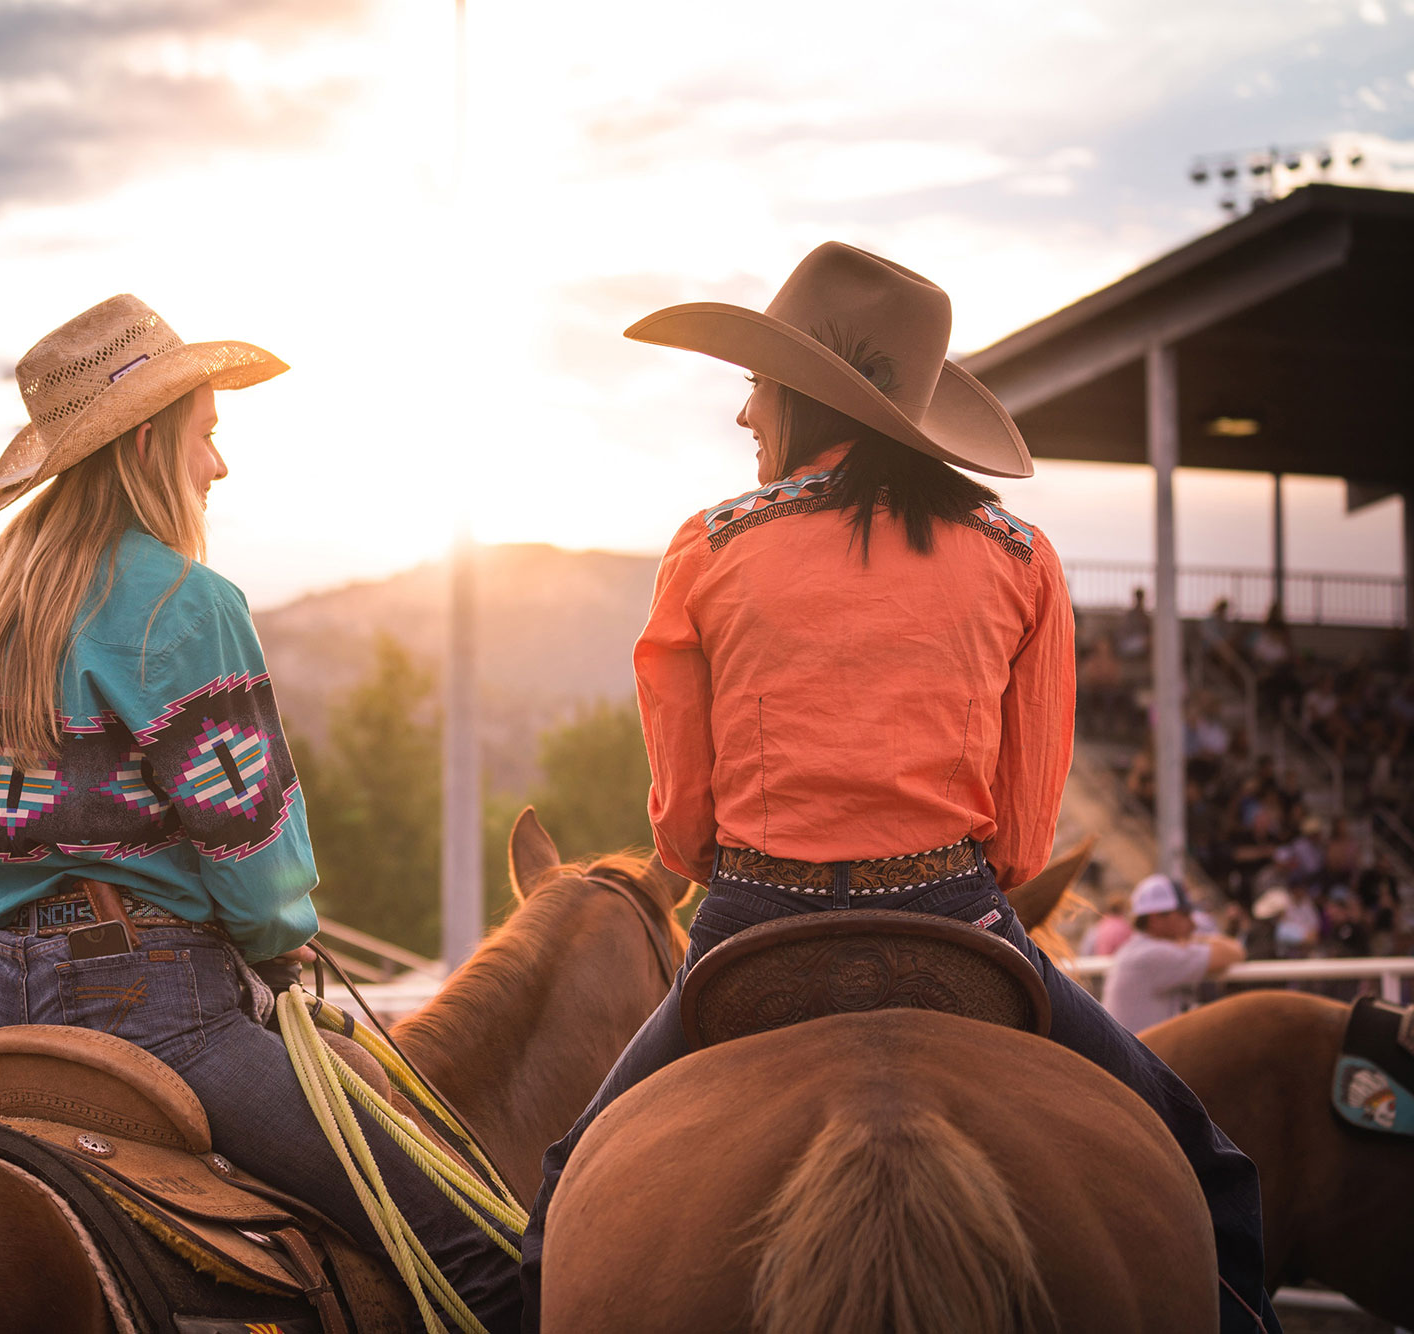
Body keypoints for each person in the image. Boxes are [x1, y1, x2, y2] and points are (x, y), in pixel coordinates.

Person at [518, 244, 1279, 1334]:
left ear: (792, 397)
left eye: (753, 387)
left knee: (561, 1194)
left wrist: (711, 859)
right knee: (1212, 1173)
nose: (742, 417)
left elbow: (682, 830)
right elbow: (1020, 835)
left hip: (749, 926)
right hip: (953, 915)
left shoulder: (708, 544)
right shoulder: (1019, 553)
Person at [0, 295, 521, 1327]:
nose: (216, 469)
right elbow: (256, 863)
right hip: (156, 1012)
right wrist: (279, 946)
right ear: (148, 440)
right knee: (474, 1250)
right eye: (206, 436)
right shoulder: (184, 603)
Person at [1102, 875, 1245, 1033]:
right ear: (1156, 918)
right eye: (1184, 914)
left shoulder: (1137, 949)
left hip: (1134, 1052)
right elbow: (1234, 952)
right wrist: (1196, 939)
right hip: (1140, 1055)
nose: (1192, 923)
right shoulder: (1156, 954)